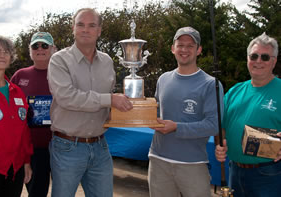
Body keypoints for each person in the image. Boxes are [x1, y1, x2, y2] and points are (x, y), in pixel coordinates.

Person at [47, 8, 133, 197]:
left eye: (92, 25)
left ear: (99, 30)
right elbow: (67, 97)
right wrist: (110, 100)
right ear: (73, 28)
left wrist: (128, 109)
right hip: (67, 147)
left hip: (100, 146)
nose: (86, 29)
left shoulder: (107, 61)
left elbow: (108, 101)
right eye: (81, 25)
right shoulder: (59, 60)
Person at [148, 27, 223, 197]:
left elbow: (213, 125)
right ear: (173, 48)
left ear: (199, 50)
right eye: (180, 45)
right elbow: (155, 112)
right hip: (158, 161)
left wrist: (176, 127)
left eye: (190, 46)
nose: (184, 50)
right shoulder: (163, 79)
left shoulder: (211, 84)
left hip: (193, 164)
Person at [215, 33, 281, 197]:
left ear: (274, 61)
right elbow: (221, 128)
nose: (258, 61)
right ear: (247, 59)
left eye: (265, 57)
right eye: (254, 56)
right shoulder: (234, 91)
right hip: (235, 172)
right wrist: (219, 145)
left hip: (269, 174)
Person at [0, 36, 33, 197]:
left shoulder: (17, 92)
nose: (2, 55)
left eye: (7, 51)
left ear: (11, 57)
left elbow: (23, 131)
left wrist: (26, 162)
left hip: (14, 170)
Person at [10, 32, 55, 197]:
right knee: (36, 192)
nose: (40, 49)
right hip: (32, 148)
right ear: (30, 50)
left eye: (45, 45)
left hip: (62, 145)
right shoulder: (20, 76)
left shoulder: (64, 74)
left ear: (53, 49)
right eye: (35, 46)